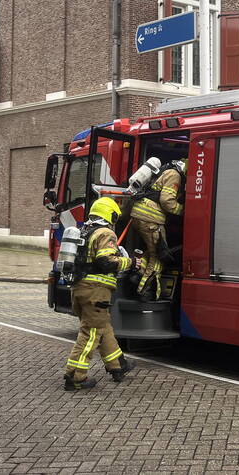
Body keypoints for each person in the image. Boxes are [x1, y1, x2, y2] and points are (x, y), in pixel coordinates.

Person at [64, 197, 139, 391]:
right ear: (110, 214)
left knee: (102, 328)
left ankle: (118, 366)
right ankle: (75, 377)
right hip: (95, 293)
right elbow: (105, 262)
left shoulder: (84, 231)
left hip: (80, 291)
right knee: (90, 334)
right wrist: (129, 262)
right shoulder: (105, 233)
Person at [128, 159, 185, 300]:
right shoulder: (174, 175)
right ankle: (144, 291)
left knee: (151, 251)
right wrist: (184, 212)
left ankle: (139, 274)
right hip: (151, 218)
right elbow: (167, 201)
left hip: (140, 214)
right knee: (159, 256)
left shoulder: (165, 170)